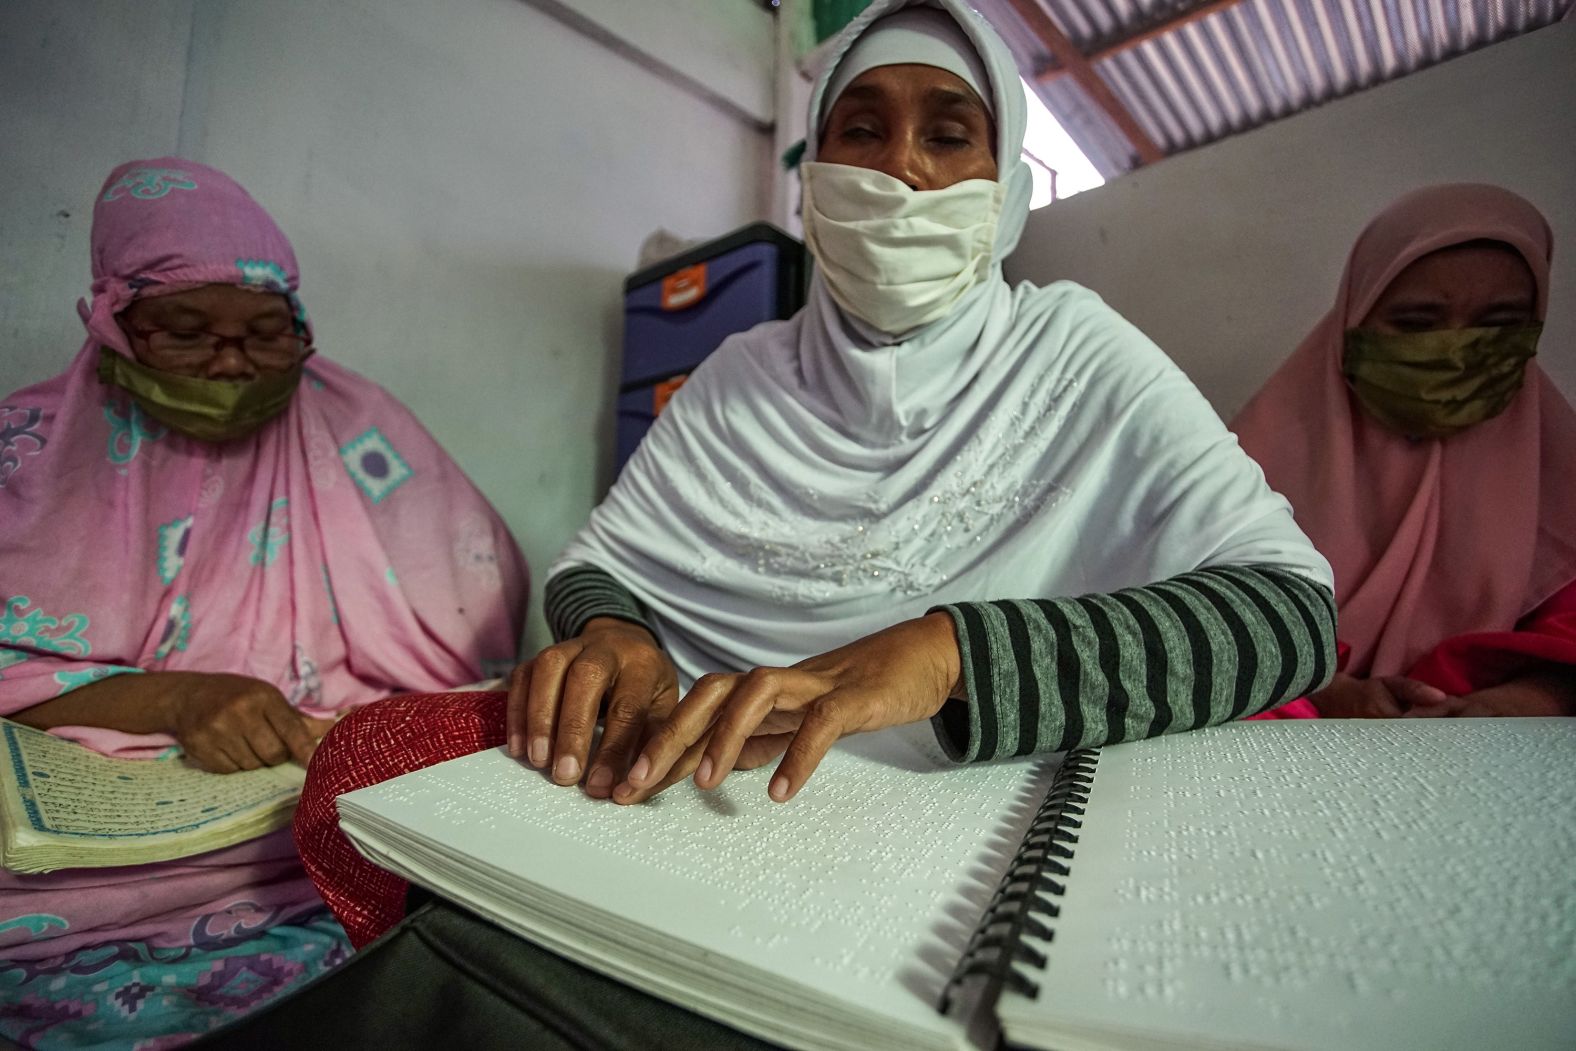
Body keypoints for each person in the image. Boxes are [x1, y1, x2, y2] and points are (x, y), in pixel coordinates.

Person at [297, 0, 1336, 949]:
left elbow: (1289, 617)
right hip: (711, 787)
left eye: (946, 134)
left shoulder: (1074, 355)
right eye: (862, 129)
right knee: (370, 766)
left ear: (1008, 189)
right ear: (812, 177)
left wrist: (947, 654)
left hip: (969, 814)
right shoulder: (745, 370)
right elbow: (598, 566)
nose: (899, 171)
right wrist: (616, 634)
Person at [0, 158, 528, 1048]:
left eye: (266, 332)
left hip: (314, 785)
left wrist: (364, 724)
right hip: (116, 813)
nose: (233, 363)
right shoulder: (30, 457)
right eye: (188, 331)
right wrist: (174, 697)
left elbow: (481, 644)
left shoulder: (362, 430)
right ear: (114, 321)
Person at [1232, 184, 1576, 720]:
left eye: (1499, 324)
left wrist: (1521, 703)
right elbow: (1209, 628)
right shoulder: (1248, 460)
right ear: (1355, 318)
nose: (1455, 352)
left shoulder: (1560, 469)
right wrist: (1328, 691)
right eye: (1416, 324)